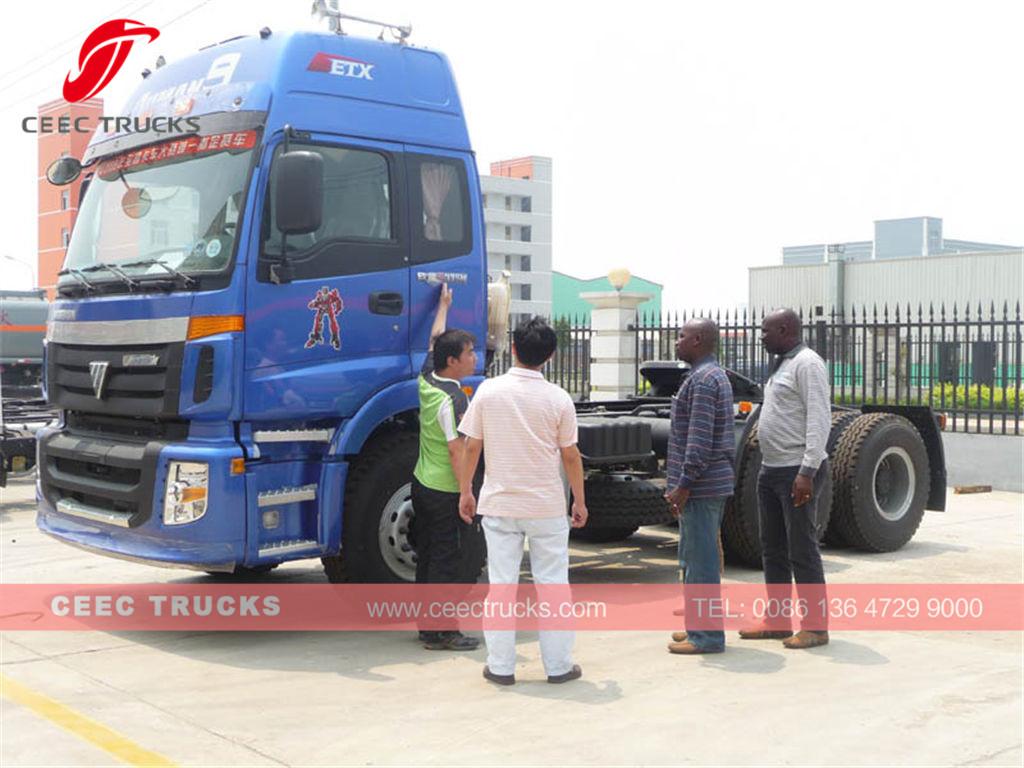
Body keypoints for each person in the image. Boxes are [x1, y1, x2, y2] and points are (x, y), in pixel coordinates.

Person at [457, 317, 588, 686]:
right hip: (546, 507)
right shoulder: (559, 399)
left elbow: (472, 445)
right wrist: (579, 500)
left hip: (499, 505)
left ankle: (501, 667)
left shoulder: (488, 391)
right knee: (553, 586)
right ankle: (559, 666)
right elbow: (571, 456)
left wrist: (466, 490)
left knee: (501, 585)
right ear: (550, 355)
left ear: (513, 348)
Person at [740, 308, 831, 649]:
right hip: (772, 468)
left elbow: (819, 418)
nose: (761, 336)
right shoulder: (782, 363)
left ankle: (816, 627)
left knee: (801, 549)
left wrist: (807, 471)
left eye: (766, 331)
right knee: (773, 548)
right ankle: (777, 621)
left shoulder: (808, 363)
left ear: (784, 329)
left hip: (797, 471)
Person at [411, 283, 480, 651]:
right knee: (447, 561)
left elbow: (434, 339)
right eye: (469, 354)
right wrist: (467, 492)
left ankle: (428, 626)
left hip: (422, 483)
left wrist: (443, 306)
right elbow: (458, 450)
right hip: (445, 490)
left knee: (429, 557)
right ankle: (444, 631)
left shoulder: (427, 377)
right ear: (452, 361)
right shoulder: (452, 397)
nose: (474, 358)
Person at [664, 319, 736, 654]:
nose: (676, 342)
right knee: (692, 560)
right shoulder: (705, 376)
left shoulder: (705, 381)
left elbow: (699, 441)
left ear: (698, 340)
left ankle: (706, 637)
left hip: (701, 487)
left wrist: (683, 484)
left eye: (681, 336)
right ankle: (696, 627)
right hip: (701, 486)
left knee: (703, 564)